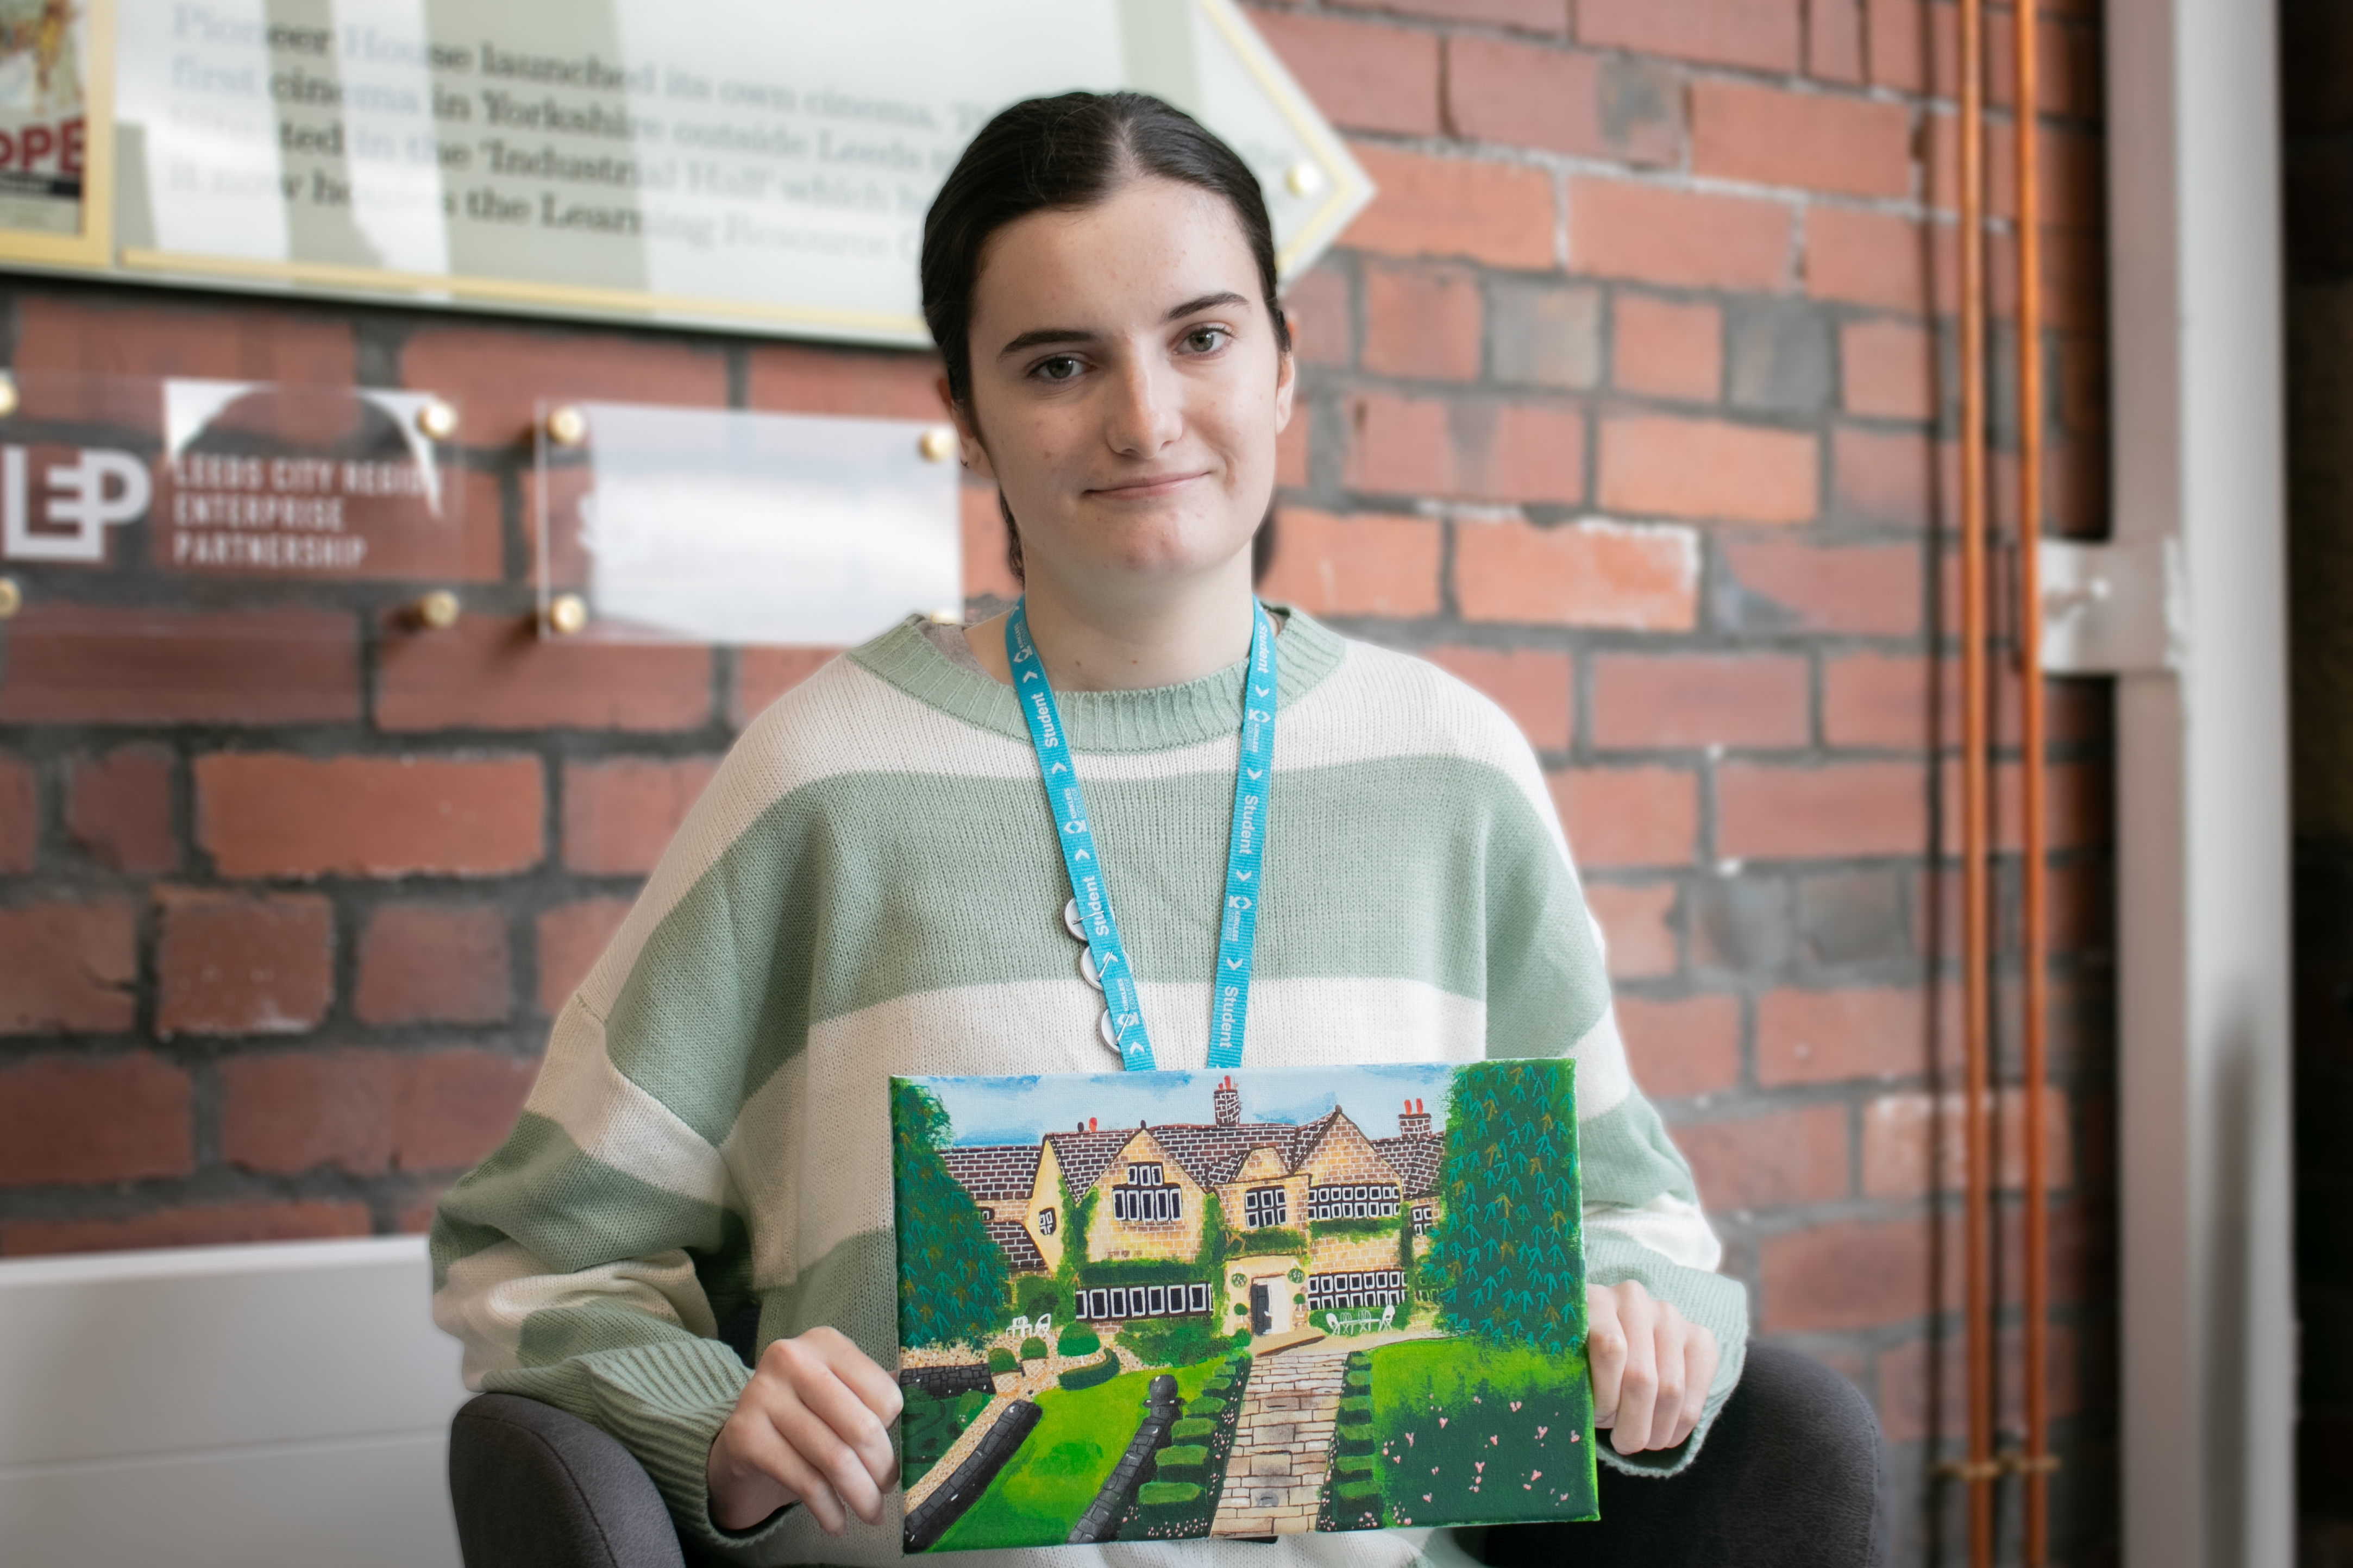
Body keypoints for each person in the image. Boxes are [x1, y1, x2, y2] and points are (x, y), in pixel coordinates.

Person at [430, 91, 1747, 1567]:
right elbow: (530, 1259)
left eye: (1201, 337)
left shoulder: (1453, 769)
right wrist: (716, 1426)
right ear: (964, 415)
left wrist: (1646, 1325)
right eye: (1058, 363)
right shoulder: (826, 780)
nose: (1143, 416)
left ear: (1284, 365)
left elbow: (1635, 1224)